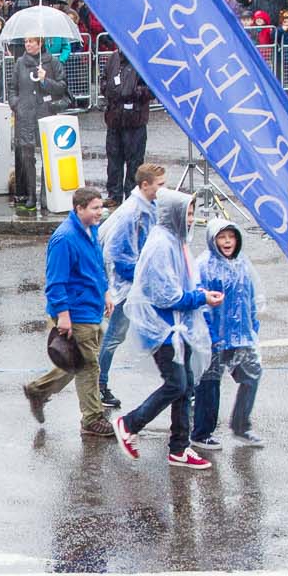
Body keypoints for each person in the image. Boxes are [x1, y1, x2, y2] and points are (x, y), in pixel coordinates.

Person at [112, 189, 218, 468]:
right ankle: (130, 423)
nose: (192, 219)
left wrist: (200, 297)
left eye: (193, 213)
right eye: (189, 213)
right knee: (177, 384)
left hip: (176, 328)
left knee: (186, 385)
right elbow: (166, 296)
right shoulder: (162, 245)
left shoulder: (175, 240)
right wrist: (201, 298)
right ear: (175, 214)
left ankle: (179, 448)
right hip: (162, 329)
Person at [24, 186, 115, 438]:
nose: (100, 212)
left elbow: (96, 267)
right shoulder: (64, 239)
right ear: (79, 209)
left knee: (79, 362)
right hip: (77, 313)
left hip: (91, 307)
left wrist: (105, 291)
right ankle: (92, 418)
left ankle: (38, 390)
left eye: (101, 207)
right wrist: (63, 315)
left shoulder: (90, 230)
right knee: (89, 366)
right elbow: (55, 282)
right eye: (95, 208)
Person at [96, 162, 166, 408]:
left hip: (142, 284)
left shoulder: (150, 207)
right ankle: (99, 384)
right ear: (145, 185)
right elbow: (115, 254)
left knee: (154, 331)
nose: (163, 189)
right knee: (114, 336)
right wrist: (139, 277)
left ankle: (176, 383)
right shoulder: (131, 213)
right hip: (128, 289)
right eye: (160, 185)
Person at [193, 217, 264, 449]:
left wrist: (253, 324)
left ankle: (241, 426)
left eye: (230, 236)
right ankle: (202, 432)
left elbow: (250, 296)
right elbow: (200, 302)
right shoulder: (204, 265)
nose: (227, 242)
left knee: (252, 376)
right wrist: (210, 335)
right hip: (215, 338)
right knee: (209, 384)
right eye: (222, 237)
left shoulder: (242, 262)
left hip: (241, 336)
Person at [10, 38, 70, 212]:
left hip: (46, 114)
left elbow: (62, 87)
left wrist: (45, 81)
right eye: (26, 41)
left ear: (40, 43)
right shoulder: (20, 63)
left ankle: (46, 194)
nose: (28, 44)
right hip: (25, 116)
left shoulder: (53, 62)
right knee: (27, 156)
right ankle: (31, 195)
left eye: (32, 41)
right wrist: (16, 104)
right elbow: (13, 88)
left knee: (47, 156)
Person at [99, 48, 152, 201]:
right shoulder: (113, 58)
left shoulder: (142, 59)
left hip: (135, 121)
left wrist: (133, 92)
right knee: (114, 160)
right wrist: (108, 89)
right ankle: (114, 195)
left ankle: (132, 197)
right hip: (114, 120)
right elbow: (104, 78)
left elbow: (151, 89)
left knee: (134, 162)